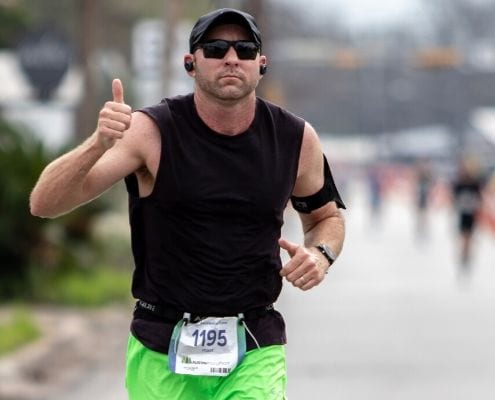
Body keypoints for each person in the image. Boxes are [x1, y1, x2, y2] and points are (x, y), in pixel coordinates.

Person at [30, 8, 346, 400]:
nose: (231, 58)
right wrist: (98, 144)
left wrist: (320, 255)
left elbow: (325, 217)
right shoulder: (151, 132)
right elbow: (44, 203)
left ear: (260, 64)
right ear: (190, 64)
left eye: (244, 49)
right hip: (161, 342)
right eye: (215, 48)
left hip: (254, 341)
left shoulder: (296, 138)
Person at [451, 157, 484, 270]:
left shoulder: (474, 184)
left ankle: (467, 255)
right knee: (464, 236)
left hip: (471, 213)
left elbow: (479, 199)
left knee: (468, 237)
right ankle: (464, 255)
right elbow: (454, 199)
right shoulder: (459, 184)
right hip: (463, 213)